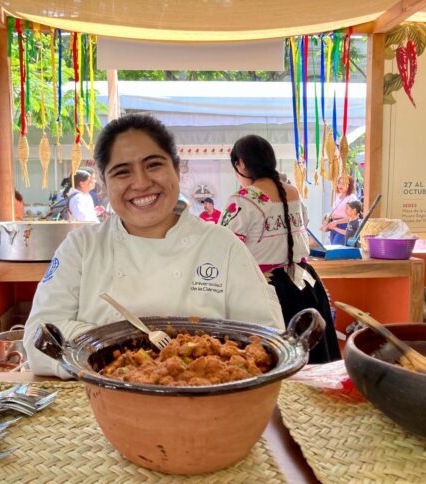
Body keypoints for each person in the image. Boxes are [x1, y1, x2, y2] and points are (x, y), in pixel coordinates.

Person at [24, 114, 284, 377]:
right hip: (100, 398)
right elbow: (39, 338)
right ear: (104, 181)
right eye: (122, 171)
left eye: (154, 165)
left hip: (209, 397)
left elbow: (267, 341)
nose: (141, 183)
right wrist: (118, 349)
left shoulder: (223, 246)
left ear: (177, 169)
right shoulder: (81, 248)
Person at [220, 134, 340, 364]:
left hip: (267, 288)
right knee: (311, 356)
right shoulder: (292, 191)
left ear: (241, 163)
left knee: (274, 358)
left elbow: (224, 245)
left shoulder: (243, 200)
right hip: (305, 283)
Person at [323, 175, 359, 245]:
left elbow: (352, 217)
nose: (340, 185)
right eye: (339, 183)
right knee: (333, 247)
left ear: (349, 185)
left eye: (343, 183)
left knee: (336, 248)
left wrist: (336, 222)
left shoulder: (351, 198)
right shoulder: (338, 196)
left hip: (344, 226)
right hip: (334, 225)